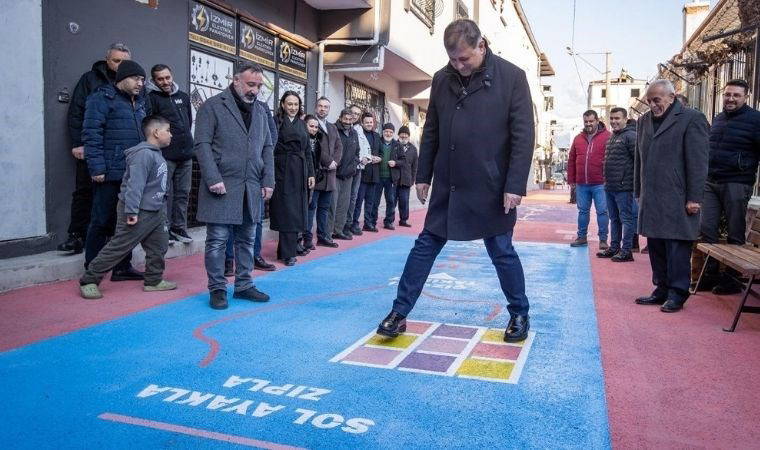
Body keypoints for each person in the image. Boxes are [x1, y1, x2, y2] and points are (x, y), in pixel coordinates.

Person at [376, 19, 534, 342]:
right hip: (450, 184)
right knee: (425, 246)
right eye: (453, 60)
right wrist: (423, 175)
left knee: (501, 250)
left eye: (464, 59)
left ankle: (519, 312)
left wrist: (514, 185)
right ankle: (399, 312)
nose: (459, 66)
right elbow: (431, 129)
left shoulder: (512, 77)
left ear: (481, 46)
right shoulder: (441, 79)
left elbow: (523, 137)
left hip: (491, 185)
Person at [194, 62, 274, 310]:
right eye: (251, 84)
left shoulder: (261, 110)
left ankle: (244, 285)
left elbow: (267, 147)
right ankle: (217, 288)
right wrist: (212, 178)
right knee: (217, 241)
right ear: (235, 80)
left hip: (251, 186)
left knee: (247, 240)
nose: (255, 90)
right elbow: (202, 145)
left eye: (259, 86)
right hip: (222, 184)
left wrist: (268, 180)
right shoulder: (212, 106)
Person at [79, 116, 176, 299]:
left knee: (159, 246)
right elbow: (134, 185)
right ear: (156, 132)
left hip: (155, 211)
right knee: (119, 246)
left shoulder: (156, 154)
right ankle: (89, 280)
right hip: (138, 210)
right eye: (168, 130)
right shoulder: (143, 154)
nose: (171, 135)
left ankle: (153, 280)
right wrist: (131, 211)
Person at [634, 79, 709, 313]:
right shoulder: (643, 121)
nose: (652, 105)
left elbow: (698, 162)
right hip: (652, 196)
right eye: (649, 101)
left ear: (671, 97)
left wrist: (694, 198)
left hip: (678, 196)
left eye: (657, 100)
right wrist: (638, 190)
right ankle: (662, 288)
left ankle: (678, 292)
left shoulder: (692, 118)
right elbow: (639, 159)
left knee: (677, 247)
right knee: (655, 245)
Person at [82, 60, 151, 282]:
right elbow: (91, 134)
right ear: (122, 78)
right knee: (101, 221)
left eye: (142, 80)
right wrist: (97, 167)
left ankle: (122, 268)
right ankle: (92, 268)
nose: (140, 83)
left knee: (126, 223)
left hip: (133, 174)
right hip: (109, 172)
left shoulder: (140, 102)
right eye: (136, 79)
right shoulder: (101, 98)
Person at [60, 43, 132, 255]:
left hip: (117, 152)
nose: (120, 65)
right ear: (107, 60)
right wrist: (78, 143)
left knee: (115, 197)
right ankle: (76, 235)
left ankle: (109, 238)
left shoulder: (132, 84)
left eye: (124, 61)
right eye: (116, 60)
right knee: (84, 191)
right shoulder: (90, 79)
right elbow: (77, 112)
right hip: (92, 147)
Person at [699, 79, 760, 295]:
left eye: (736, 95)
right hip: (711, 181)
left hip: (737, 182)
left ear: (746, 97)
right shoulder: (719, 118)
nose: (730, 99)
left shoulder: (755, 120)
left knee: (735, 232)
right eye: (727, 94)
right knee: (707, 229)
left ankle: (732, 280)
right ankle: (709, 275)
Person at [146, 64, 194, 244]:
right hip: (165, 155)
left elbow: (188, 122)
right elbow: (149, 128)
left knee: (183, 193)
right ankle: (163, 230)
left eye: (167, 77)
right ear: (154, 80)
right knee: (162, 194)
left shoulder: (183, 97)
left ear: (172, 76)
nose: (165, 82)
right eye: (160, 79)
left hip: (186, 154)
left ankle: (179, 227)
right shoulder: (151, 99)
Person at [269, 91, 315, 266]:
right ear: (283, 104)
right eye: (289, 104)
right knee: (286, 210)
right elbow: (269, 147)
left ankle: (287, 249)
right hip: (282, 170)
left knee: (297, 210)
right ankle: (287, 253)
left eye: (296, 104)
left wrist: (311, 173)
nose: (293, 107)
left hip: (300, 170)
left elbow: (307, 151)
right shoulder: (275, 121)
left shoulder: (302, 124)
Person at [597, 107, 637, 262]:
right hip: (610, 186)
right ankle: (614, 248)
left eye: (617, 118)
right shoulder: (613, 136)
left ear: (625, 119)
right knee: (614, 219)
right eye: (612, 118)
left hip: (624, 187)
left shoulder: (631, 136)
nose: (614, 121)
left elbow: (638, 162)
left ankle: (626, 251)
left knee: (626, 219)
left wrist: (633, 183)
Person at [568, 110, 610, 250]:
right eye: (586, 121)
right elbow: (571, 160)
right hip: (582, 183)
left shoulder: (608, 137)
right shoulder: (578, 138)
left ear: (597, 120)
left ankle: (603, 240)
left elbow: (612, 160)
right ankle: (581, 237)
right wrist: (571, 180)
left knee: (602, 212)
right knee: (582, 211)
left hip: (600, 183)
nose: (588, 124)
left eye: (591, 121)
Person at [306, 97, 342, 248]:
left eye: (326, 107)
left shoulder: (332, 127)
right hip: (317, 174)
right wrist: (328, 161)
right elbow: (314, 147)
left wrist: (335, 162)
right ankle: (307, 239)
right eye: (320, 106)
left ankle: (322, 236)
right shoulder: (311, 125)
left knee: (324, 208)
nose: (323, 109)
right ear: (316, 108)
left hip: (330, 176)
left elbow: (339, 146)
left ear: (329, 109)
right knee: (311, 208)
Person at [331, 108, 360, 240]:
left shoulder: (354, 133)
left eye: (350, 119)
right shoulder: (334, 129)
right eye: (345, 119)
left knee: (344, 204)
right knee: (332, 204)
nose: (348, 122)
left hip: (348, 175)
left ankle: (339, 230)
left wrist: (353, 166)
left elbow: (357, 152)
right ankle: (328, 233)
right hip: (335, 173)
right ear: (340, 118)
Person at [353, 113, 383, 232]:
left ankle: (368, 223)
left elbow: (381, 152)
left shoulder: (376, 135)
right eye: (367, 122)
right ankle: (354, 224)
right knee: (358, 201)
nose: (369, 124)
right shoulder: (358, 134)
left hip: (374, 174)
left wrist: (379, 158)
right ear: (362, 123)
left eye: (371, 122)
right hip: (362, 173)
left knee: (370, 201)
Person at [346, 104, 372, 237]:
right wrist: (360, 159)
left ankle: (349, 224)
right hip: (347, 169)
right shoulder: (344, 128)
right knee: (345, 198)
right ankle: (342, 226)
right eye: (353, 113)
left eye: (357, 114)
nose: (355, 116)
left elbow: (366, 148)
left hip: (358, 169)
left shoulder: (359, 129)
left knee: (353, 198)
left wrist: (367, 157)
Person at [390, 125, 419, 227]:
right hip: (394, 178)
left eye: (406, 135)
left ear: (409, 136)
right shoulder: (393, 145)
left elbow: (415, 167)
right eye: (402, 134)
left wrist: (413, 180)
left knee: (404, 201)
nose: (404, 136)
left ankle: (403, 220)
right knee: (392, 200)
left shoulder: (413, 149)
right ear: (398, 135)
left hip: (406, 179)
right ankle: (390, 220)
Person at [376, 123, 399, 229]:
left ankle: (389, 222)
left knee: (390, 201)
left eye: (390, 132)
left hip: (390, 178)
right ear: (383, 132)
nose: (388, 134)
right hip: (378, 177)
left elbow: (403, 160)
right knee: (375, 201)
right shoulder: (377, 142)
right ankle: (372, 221)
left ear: (393, 133)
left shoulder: (397, 145)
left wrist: (396, 163)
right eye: (386, 131)